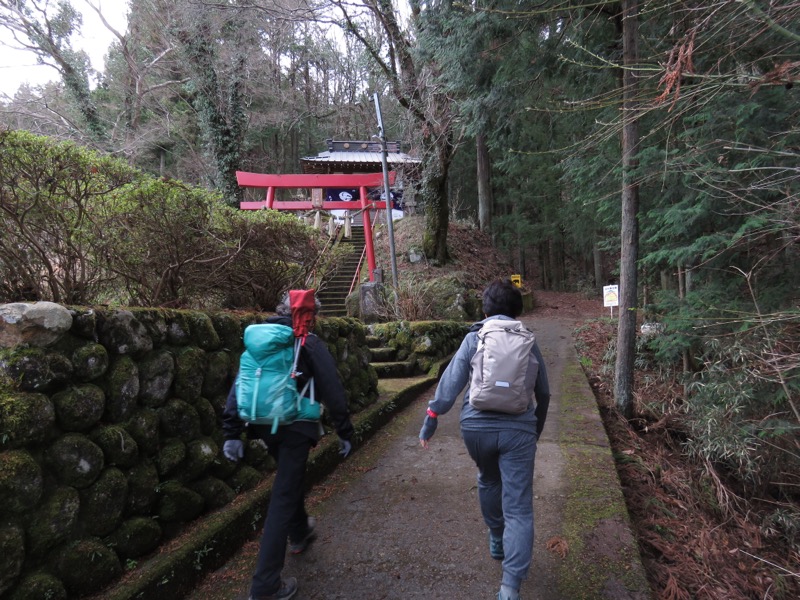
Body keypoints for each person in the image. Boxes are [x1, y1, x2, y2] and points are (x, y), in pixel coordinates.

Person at [419, 279, 550, 600]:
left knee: (489, 480)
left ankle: (496, 536)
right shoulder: (528, 340)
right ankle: (510, 588)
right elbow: (544, 393)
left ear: (485, 310)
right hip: (518, 431)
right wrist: (534, 430)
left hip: (476, 427)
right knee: (519, 509)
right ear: (517, 311)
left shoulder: (474, 337)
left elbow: (450, 383)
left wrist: (432, 417)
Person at [222, 290, 354, 600]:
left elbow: (241, 383)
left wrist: (231, 432)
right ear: (312, 315)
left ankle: (300, 532)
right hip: (296, 427)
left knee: (288, 479)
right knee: (283, 495)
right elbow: (332, 388)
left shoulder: (260, 341)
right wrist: (345, 430)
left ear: (280, 310)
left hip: (263, 425)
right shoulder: (307, 341)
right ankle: (265, 585)